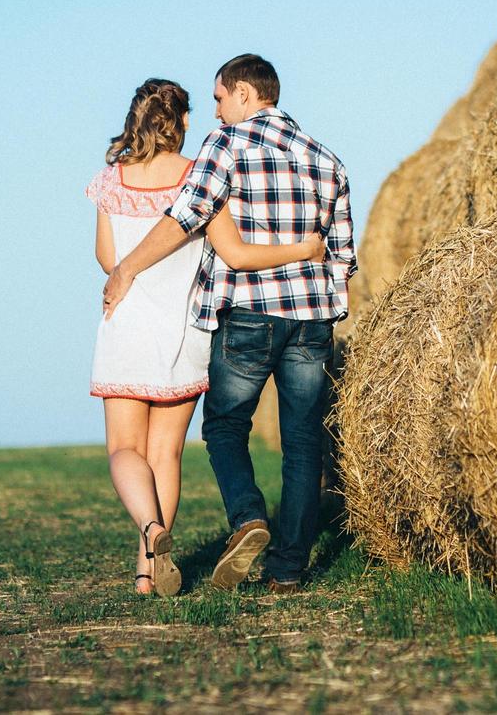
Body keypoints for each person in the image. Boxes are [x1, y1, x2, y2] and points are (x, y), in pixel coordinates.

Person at [103, 54, 355, 593]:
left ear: (244, 93)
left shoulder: (228, 145)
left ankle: (247, 518)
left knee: (223, 427)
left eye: (219, 98)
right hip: (312, 319)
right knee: (304, 443)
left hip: (248, 314)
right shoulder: (328, 160)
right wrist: (329, 316)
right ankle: (288, 570)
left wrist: (127, 268)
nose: (215, 113)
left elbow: (184, 218)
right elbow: (342, 257)